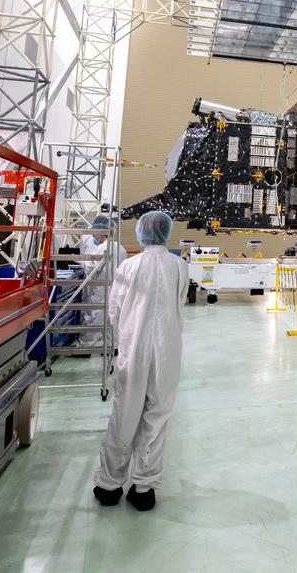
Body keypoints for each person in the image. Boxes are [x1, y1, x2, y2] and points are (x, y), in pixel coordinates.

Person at [93, 211, 186, 511]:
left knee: (125, 412)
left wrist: (125, 337)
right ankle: (144, 488)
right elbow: (179, 302)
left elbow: (115, 309)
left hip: (133, 348)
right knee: (156, 415)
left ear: (142, 232)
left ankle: (109, 485)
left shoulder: (128, 266)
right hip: (167, 349)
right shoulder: (179, 266)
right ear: (166, 232)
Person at [79, 214, 126, 348]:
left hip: (102, 288)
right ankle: (114, 346)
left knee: (95, 317)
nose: (94, 237)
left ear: (101, 232)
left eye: (96, 234)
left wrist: (81, 263)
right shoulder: (120, 248)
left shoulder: (103, 247)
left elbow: (92, 268)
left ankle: (86, 346)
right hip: (117, 287)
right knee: (113, 318)